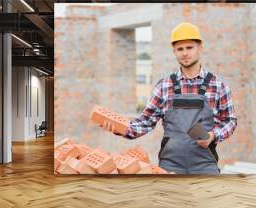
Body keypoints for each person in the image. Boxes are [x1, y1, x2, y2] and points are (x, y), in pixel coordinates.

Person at [101, 22, 237, 174]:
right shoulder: (164, 86)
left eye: (189, 47)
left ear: (200, 48)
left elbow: (229, 121)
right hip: (170, 166)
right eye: (180, 49)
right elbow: (146, 121)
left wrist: (213, 135)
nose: (185, 53)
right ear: (174, 51)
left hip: (205, 166)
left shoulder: (218, 85)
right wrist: (121, 128)